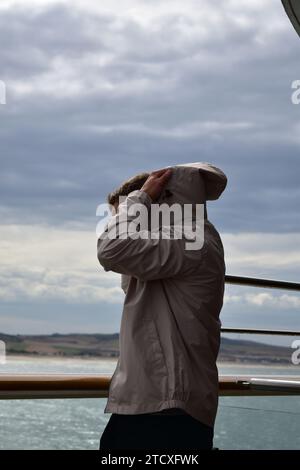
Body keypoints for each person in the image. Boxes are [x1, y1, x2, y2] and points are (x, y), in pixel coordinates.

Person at [97, 162, 227, 450]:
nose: (124, 223)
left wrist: (138, 199)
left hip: (163, 413)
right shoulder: (186, 244)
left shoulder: (192, 242)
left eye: (128, 217)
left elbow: (111, 249)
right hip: (159, 405)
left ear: (159, 206)